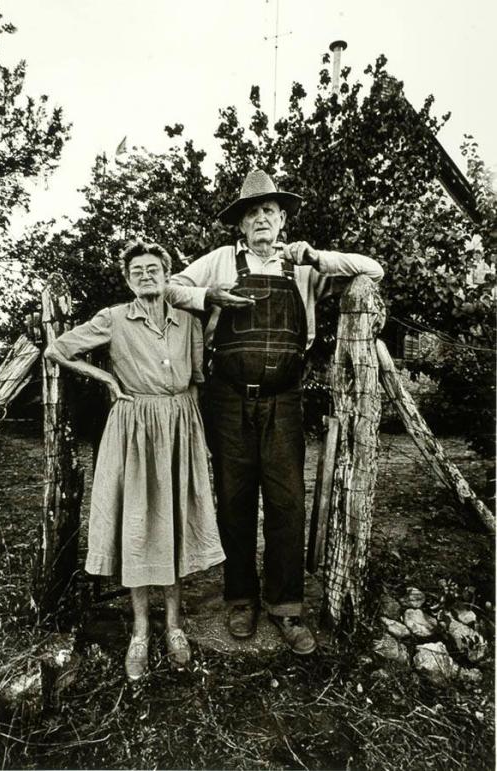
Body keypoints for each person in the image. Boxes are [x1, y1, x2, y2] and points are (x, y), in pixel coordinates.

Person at [171, 169, 384, 655]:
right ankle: (242, 598)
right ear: (241, 227)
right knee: (236, 499)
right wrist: (209, 296)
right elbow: (171, 287)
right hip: (228, 401)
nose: (261, 218)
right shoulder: (223, 260)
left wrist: (318, 256)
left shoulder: (304, 268)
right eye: (252, 213)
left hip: (285, 400)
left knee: (287, 502)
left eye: (269, 210)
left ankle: (286, 607)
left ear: (283, 219)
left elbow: (373, 270)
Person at [44, 239, 232, 682]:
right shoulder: (113, 318)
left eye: (154, 269)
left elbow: (197, 379)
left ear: (167, 276)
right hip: (133, 430)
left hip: (180, 428)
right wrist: (107, 378)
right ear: (128, 280)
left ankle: (175, 627)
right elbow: (57, 350)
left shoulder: (186, 320)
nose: (147, 276)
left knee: (172, 525)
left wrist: (195, 434)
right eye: (138, 271)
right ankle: (140, 633)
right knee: (137, 526)